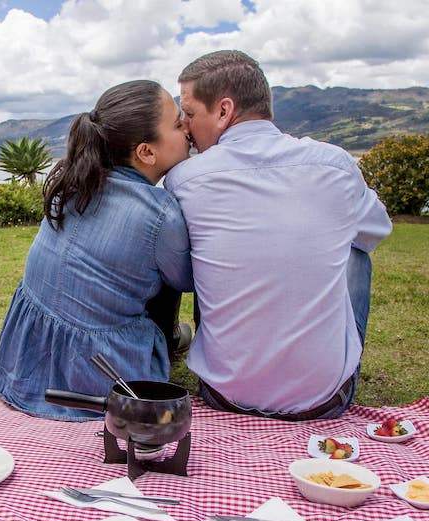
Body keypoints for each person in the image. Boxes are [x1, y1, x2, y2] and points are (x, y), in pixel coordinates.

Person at [165, 50, 392, 420]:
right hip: (323, 402)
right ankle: (326, 367)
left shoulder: (184, 180)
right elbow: (376, 232)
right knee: (355, 255)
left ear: (224, 111)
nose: (186, 128)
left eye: (189, 114)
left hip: (223, 393)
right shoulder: (334, 164)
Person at [0, 80, 193, 421]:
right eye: (177, 123)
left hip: (20, 367)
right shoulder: (160, 213)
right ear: (146, 152)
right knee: (166, 272)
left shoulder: (72, 183)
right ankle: (169, 340)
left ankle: (170, 337)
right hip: (100, 377)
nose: (187, 126)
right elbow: (186, 279)